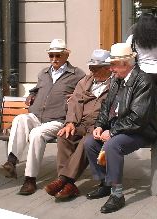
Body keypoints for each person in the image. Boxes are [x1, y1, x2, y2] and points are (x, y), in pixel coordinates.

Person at [0, 39, 85, 195]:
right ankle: (11, 163)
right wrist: (31, 94)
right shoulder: (43, 73)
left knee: (36, 134)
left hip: (58, 120)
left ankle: (30, 179)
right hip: (38, 115)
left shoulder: (77, 74)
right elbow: (36, 89)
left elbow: (86, 90)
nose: (54, 59)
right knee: (20, 119)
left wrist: (77, 95)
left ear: (65, 55)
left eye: (58, 55)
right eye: (51, 55)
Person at [84, 43, 157, 214]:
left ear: (125, 64)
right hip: (122, 127)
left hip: (142, 130)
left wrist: (111, 132)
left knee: (113, 145)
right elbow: (106, 107)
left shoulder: (143, 81)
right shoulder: (117, 80)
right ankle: (105, 183)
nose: (110, 69)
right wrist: (99, 126)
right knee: (90, 142)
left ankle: (117, 194)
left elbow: (138, 118)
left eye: (113, 64)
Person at [44, 49, 112, 200]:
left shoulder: (115, 84)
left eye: (95, 68)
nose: (92, 71)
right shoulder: (85, 81)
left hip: (100, 126)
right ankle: (67, 183)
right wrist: (70, 123)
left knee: (85, 142)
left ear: (108, 68)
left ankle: (64, 180)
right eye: (90, 68)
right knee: (64, 136)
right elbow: (74, 102)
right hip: (81, 123)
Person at [126, 13, 157, 124]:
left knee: (141, 100)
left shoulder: (133, 38)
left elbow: (126, 50)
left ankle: (143, 125)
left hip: (141, 72)